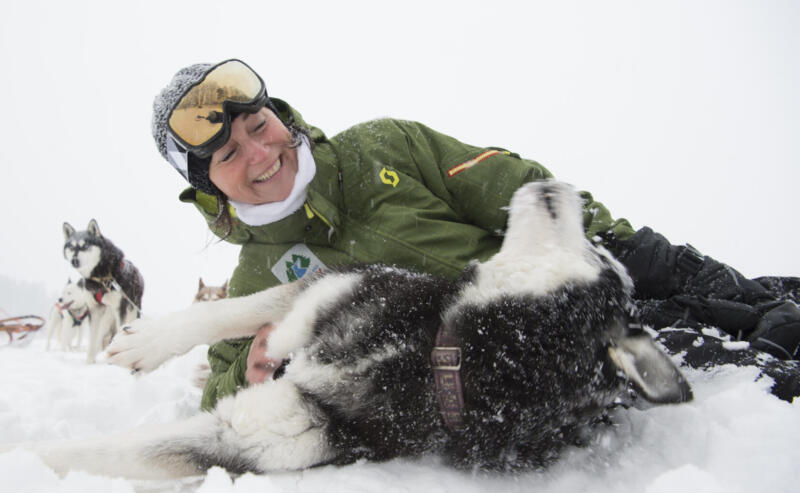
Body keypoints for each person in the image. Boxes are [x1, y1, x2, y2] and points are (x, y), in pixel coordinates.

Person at [150, 59, 800, 409]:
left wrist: (624, 248)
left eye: (258, 126)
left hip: (573, 282)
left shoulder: (383, 144)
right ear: (207, 185)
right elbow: (220, 394)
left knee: (760, 309)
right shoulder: (256, 278)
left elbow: (515, 186)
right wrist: (259, 369)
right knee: (753, 377)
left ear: (277, 114)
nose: (260, 153)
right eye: (229, 154)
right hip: (517, 366)